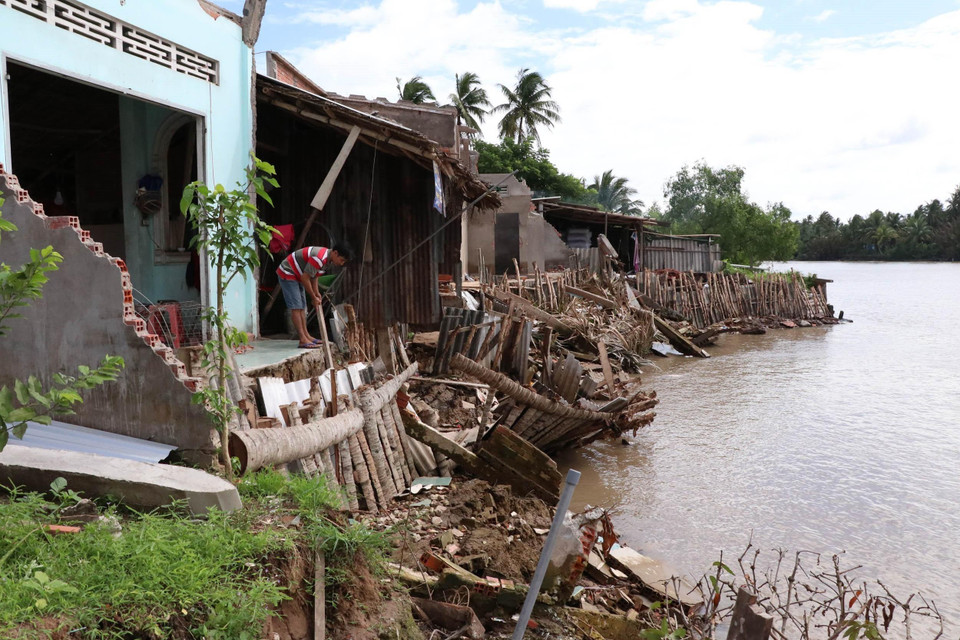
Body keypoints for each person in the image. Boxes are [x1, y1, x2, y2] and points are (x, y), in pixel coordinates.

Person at [276, 244, 352, 348]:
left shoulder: (328, 261)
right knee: (296, 307)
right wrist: (313, 297)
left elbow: (314, 276)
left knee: (302, 307)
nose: (341, 263)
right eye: (341, 260)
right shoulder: (319, 258)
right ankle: (302, 339)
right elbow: (305, 278)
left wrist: (316, 293)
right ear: (335, 253)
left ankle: (306, 335)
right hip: (288, 271)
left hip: (298, 274)